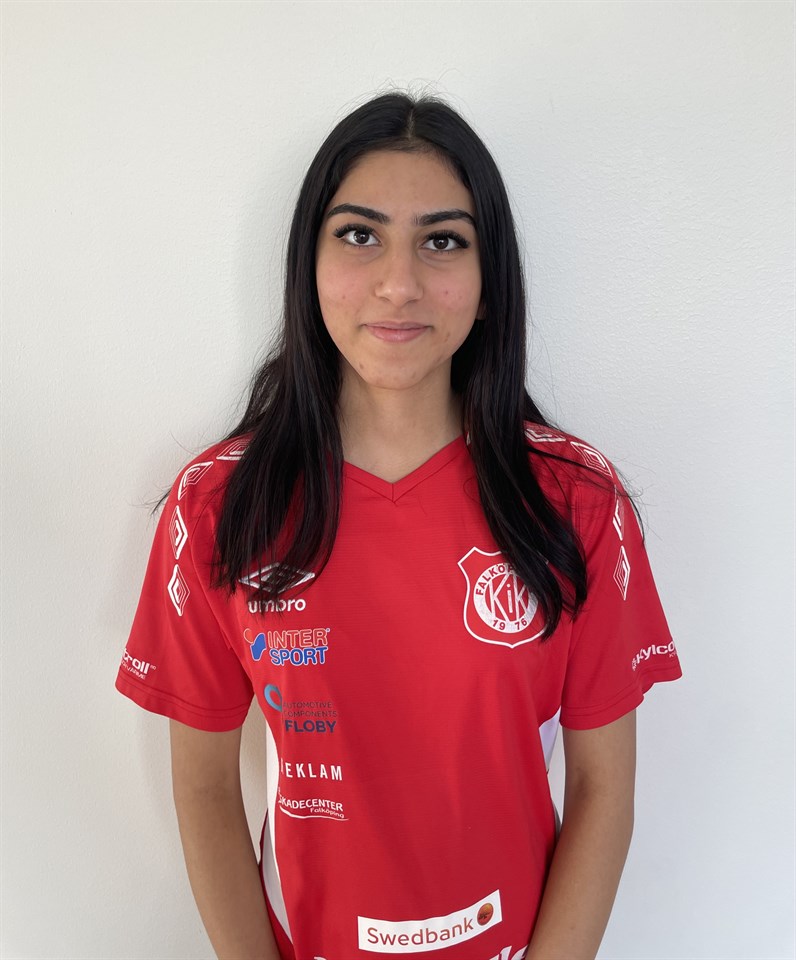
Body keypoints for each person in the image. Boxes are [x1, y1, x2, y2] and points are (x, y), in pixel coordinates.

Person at [116, 92, 681, 960]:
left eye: (442, 241)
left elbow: (604, 790)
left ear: (489, 286)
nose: (399, 283)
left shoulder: (577, 502)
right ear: (308, 266)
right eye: (360, 235)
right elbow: (202, 788)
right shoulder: (218, 506)